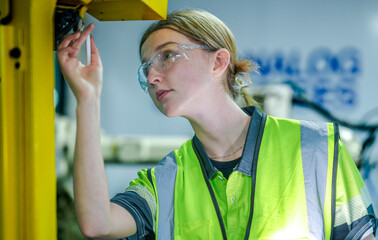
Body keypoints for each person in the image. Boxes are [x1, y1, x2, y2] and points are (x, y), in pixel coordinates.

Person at [56, 9, 376, 240]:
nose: (152, 76)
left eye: (167, 56)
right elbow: (98, 224)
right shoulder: (165, 180)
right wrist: (88, 99)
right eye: (146, 68)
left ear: (219, 62)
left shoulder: (319, 148)